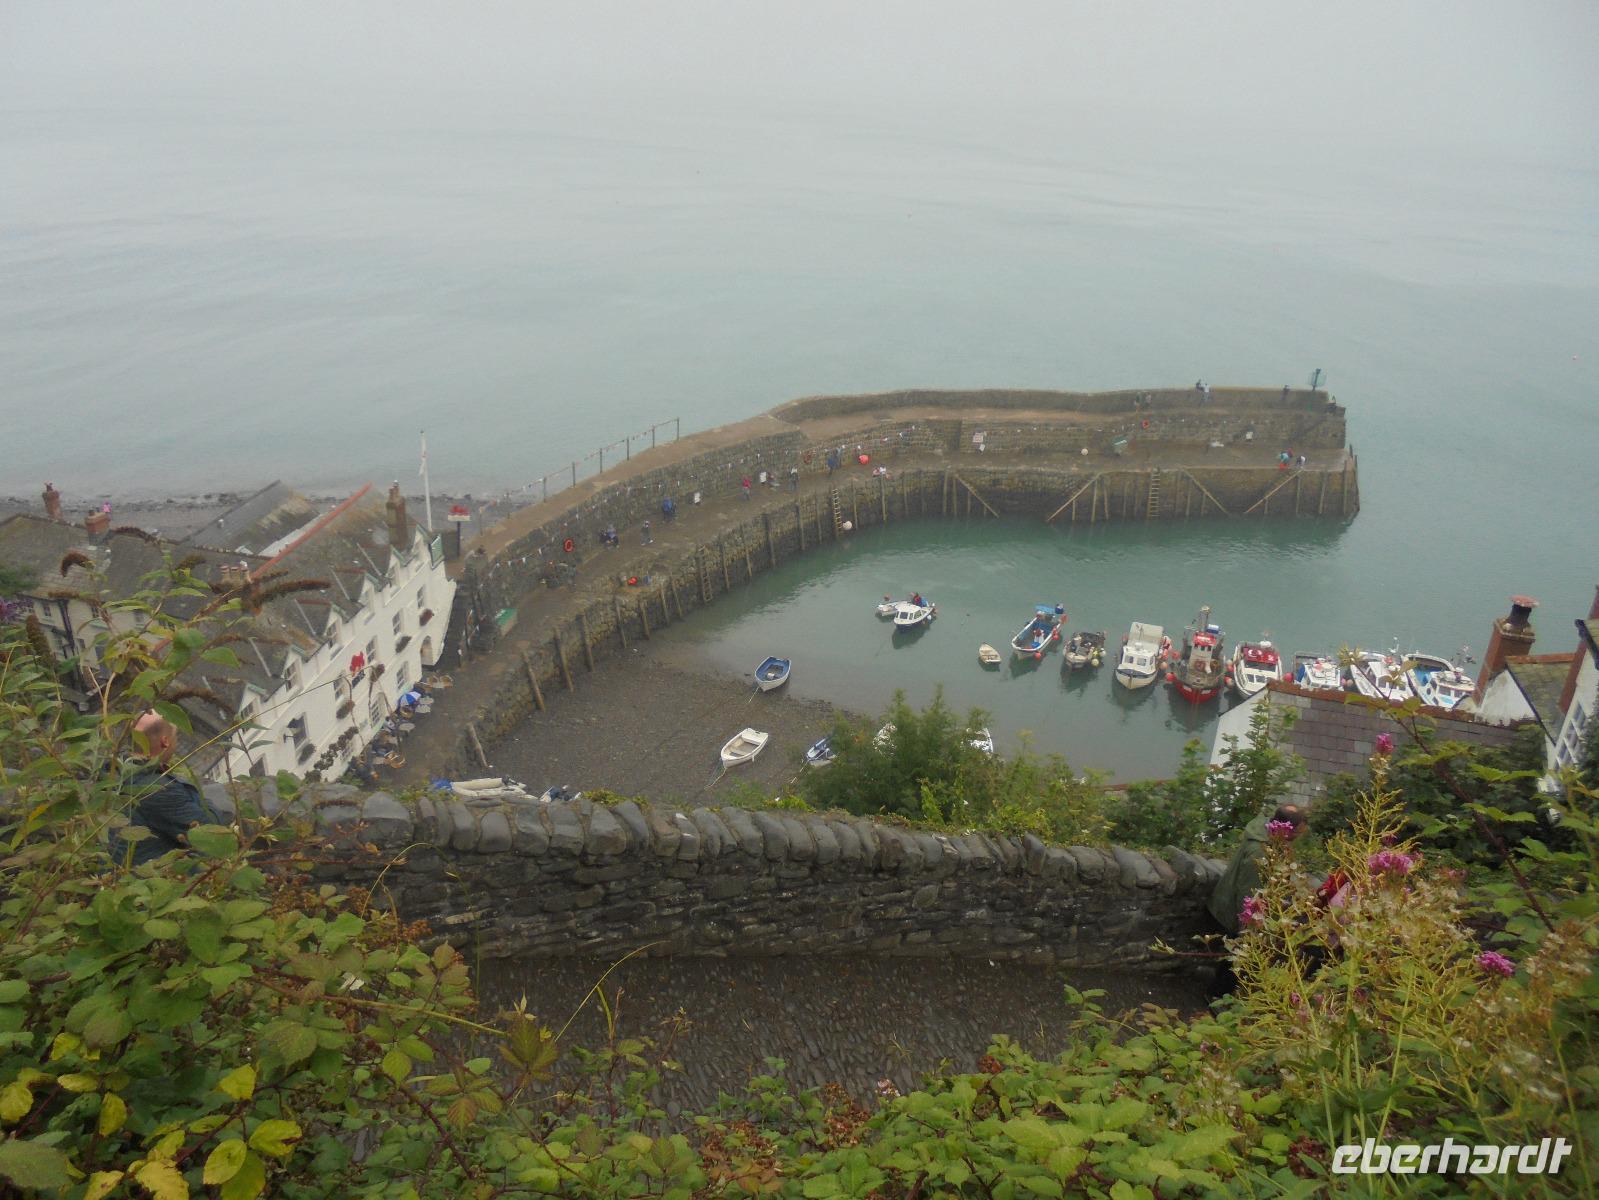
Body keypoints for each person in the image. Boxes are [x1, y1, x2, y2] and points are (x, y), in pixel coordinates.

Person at [107, 711, 219, 867]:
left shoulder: (113, 773)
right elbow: (213, 832)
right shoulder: (157, 788)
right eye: (175, 737)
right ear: (165, 742)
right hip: (152, 879)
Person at [1207, 803, 1307, 934]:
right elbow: (1248, 892)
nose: (1298, 837)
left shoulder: (1270, 837)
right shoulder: (1260, 852)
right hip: (1228, 919)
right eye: (1297, 833)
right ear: (1285, 830)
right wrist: (1250, 933)